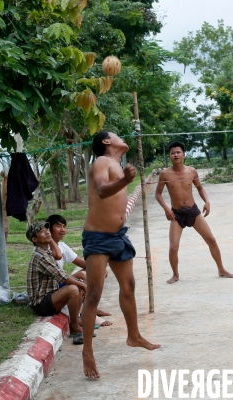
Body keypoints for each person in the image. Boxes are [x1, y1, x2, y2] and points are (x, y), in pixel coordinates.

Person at [82, 131, 160, 379]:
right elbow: (103, 190)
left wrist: (125, 178)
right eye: (116, 135)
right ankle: (87, 351)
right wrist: (125, 180)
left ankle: (133, 335)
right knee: (94, 293)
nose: (121, 137)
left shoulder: (117, 164)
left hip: (118, 236)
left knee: (129, 285)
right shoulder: (102, 162)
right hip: (98, 238)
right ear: (107, 142)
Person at [155, 141, 233, 284]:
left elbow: (200, 188)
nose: (176, 155)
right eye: (173, 153)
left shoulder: (191, 171)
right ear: (169, 156)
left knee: (211, 239)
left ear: (184, 155)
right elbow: (158, 194)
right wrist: (166, 209)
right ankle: (175, 274)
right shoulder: (165, 174)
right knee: (173, 247)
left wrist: (207, 201)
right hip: (176, 214)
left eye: (178, 152)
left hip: (193, 211)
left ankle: (221, 269)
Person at [25, 221, 87, 342]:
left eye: (47, 230)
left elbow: (59, 260)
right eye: (42, 232)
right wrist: (83, 285)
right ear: (34, 239)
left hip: (50, 294)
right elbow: (61, 276)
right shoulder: (40, 256)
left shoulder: (46, 251)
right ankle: (74, 326)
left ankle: (77, 320)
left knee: (77, 284)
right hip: (40, 303)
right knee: (74, 288)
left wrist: (81, 284)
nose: (47, 232)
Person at [46, 214, 112, 326]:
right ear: (49, 229)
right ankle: (87, 312)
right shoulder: (45, 248)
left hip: (61, 280)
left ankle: (92, 308)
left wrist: (98, 268)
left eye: (64, 227)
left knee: (90, 271)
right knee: (82, 275)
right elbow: (57, 274)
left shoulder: (61, 245)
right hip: (52, 285)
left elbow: (81, 262)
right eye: (58, 226)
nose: (62, 230)